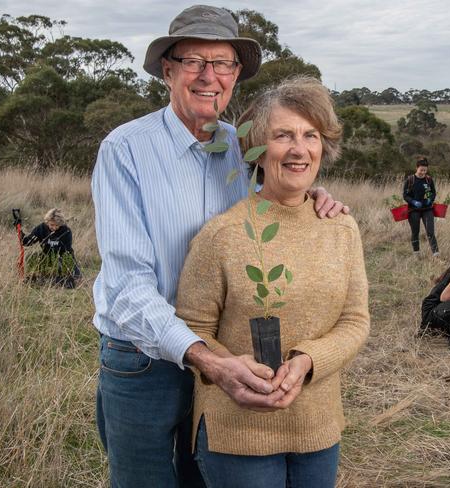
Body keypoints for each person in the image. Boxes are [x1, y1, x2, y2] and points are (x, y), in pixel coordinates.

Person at [91, 6, 347, 487]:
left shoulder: (242, 147)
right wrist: (203, 358)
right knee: (143, 480)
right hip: (145, 358)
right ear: (168, 71)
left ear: (235, 75)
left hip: (227, 355)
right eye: (194, 62)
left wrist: (314, 198)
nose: (210, 76)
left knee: (205, 478)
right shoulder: (125, 150)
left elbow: (271, 206)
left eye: (223, 63)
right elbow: (128, 283)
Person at [175, 77, 370, 488]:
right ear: (258, 150)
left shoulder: (341, 227)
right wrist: (228, 369)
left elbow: (355, 321)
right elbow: (192, 329)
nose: (300, 149)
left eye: (310, 135)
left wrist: (309, 360)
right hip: (237, 434)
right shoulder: (222, 234)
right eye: (283, 135)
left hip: (318, 428)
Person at [402, 157, 439, 256]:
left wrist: (430, 199)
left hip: (427, 209)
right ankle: (416, 254)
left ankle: (436, 254)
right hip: (414, 210)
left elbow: (433, 192)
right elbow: (405, 195)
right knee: (415, 232)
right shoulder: (410, 180)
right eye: (421, 170)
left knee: (430, 232)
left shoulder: (429, 179)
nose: (423, 172)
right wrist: (413, 201)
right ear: (416, 168)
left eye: (425, 170)